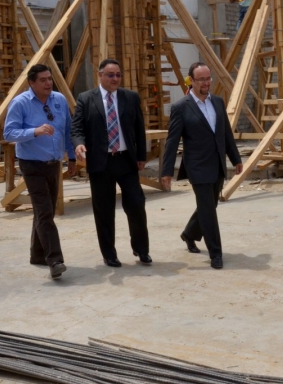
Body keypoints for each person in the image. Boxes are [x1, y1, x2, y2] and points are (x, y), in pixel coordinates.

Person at [161, 62, 242, 269]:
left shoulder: (217, 102)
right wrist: (167, 171)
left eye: (208, 78)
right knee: (208, 209)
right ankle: (216, 253)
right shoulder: (181, 107)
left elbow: (225, 133)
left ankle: (189, 234)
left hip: (217, 164)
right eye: (201, 79)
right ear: (192, 81)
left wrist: (236, 159)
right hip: (197, 166)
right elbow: (172, 140)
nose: (206, 83)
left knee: (209, 205)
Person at [71, 59, 151, 267]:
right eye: (110, 75)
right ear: (100, 75)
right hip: (101, 162)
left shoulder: (130, 97)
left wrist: (141, 156)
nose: (115, 78)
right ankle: (109, 254)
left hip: (126, 160)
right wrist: (79, 144)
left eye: (118, 74)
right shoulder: (86, 99)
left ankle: (141, 249)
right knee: (104, 210)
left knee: (136, 204)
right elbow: (77, 128)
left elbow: (138, 128)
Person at [3, 64, 76, 280]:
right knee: (44, 211)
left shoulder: (59, 100)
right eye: (43, 80)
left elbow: (67, 130)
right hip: (31, 164)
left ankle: (37, 254)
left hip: (53, 164)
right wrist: (34, 131)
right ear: (31, 83)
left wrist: (71, 157)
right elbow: (9, 133)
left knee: (45, 211)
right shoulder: (20, 103)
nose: (48, 83)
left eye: (49, 79)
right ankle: (55, 260)